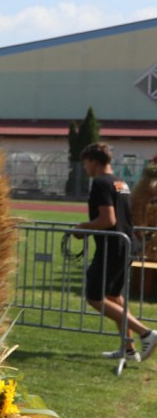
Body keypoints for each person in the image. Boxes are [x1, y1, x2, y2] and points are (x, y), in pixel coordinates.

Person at [75, 142, 157, 362]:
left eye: (85, 163)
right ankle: (129, 350)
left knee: (94, 297)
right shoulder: (121, 183)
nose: (84, 168)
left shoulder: (101, 183)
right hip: (126, 246)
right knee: (113, 296)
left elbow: (108, 220)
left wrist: (82, 227)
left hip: (112, 248)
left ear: (93, 161)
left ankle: (146, 333)